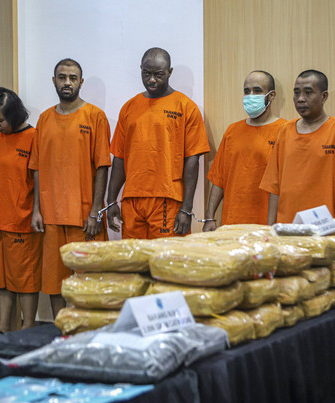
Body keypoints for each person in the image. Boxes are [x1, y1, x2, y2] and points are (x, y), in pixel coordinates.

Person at [29, 58, 111, 318]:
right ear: (54, 81)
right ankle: (60, 328)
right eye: (62, 77)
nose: (67, 82)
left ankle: (88, 329)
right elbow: (37, 168)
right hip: (51, 217)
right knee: (55, 283)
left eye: (72, 78)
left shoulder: (95, 116)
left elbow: (102, 167)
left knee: (90, 279)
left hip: (84, 216)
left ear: (81, 82)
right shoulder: (43, 119)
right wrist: (37, 211)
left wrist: (96, 212)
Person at [107, 47, 210, 238]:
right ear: (140, 69)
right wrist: (111, 200)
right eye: (146, 74)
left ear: (170, 72)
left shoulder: (186, 107)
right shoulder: (129, 108)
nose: (151, 80)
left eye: (158, 74)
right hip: (132, 199)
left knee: (166, 264)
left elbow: (192, 161)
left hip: (167, 199)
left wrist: (187, 208)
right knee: (133, 263)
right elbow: (119, 158)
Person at [0, 88, 41, 335]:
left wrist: (37, 212)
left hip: (20, 218)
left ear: (15, 115)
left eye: (1, 119)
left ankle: (28, 327)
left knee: (24, 278)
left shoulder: (34, 136)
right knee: (0, 277)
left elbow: (39, 179)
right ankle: (3, 326)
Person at [259, 69, 335, 223]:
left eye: (308, 92)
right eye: (296, 93)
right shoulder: (285, 131)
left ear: (324, 96)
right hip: (288, 227)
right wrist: (271, 228)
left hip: (326, 227)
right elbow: (274, 185)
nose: (300, 99)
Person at [203, 71, 286, 231]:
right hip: (231, 225)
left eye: (257, 90)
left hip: (268, 226)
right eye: (247, 91)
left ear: (271, 95)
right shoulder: (232, 131)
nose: (250, 96)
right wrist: (209, 217)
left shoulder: (285, 131)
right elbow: (219, 180)